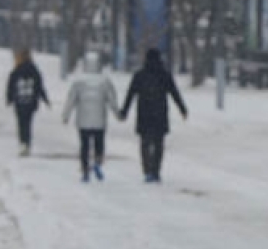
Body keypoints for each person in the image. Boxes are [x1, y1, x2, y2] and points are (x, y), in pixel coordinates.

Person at [120, 48, 188, 183]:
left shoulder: (139, 75)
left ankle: (147, 170)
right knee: (158, 143)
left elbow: (130, 94)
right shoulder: (164, 75)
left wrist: (124, 111)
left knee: (145, 143)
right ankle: (156, 170)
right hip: (160, 113)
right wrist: (182, 109)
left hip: (144, 113)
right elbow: (174, 93)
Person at [61, 52, 122, 182]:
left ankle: (85, 169)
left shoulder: (79, 81)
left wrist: (66, 115)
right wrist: (118, 113)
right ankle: (98, 162)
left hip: (83, 120)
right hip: (100, 119)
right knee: (99, 143)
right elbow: (112, 99)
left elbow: (71, 99)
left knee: (84, 145)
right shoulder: (105, 81)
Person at [6, 47, 50, 156]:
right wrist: (45, 99)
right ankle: (27, 143)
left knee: (21, 123)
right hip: (31, 102)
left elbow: (11, 85)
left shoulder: (16, 71)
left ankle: (23, 143)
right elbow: (39, 86)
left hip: (19, 101)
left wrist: (9, 98)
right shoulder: (34, 70)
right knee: (28, 123)